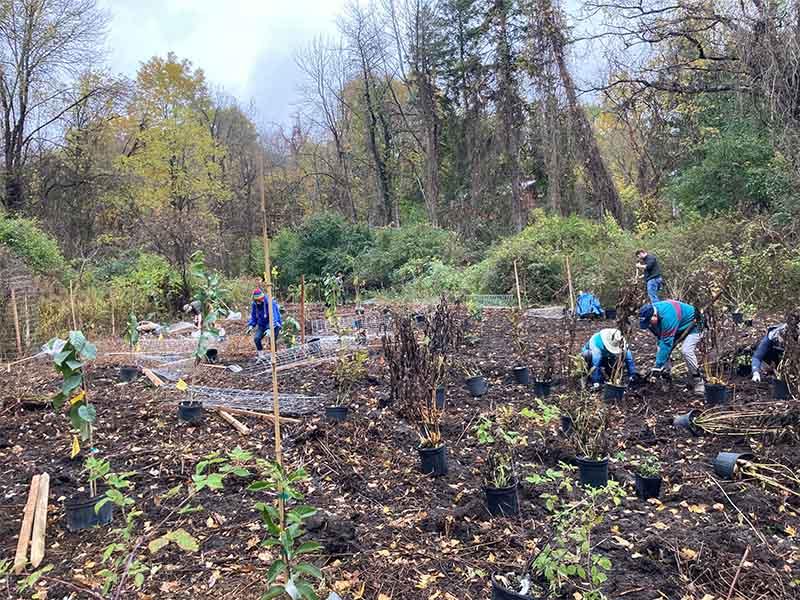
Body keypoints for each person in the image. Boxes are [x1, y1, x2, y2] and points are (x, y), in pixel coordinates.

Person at [639, 300, 704, 395]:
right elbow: (661, 340)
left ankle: (698, 381)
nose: (648, 325)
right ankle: (666, 378)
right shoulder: (650, 315)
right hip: (677, 327)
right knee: (661, 350)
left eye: (649, 322)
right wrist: (659, 363)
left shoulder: (668, 317)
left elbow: (666, 343)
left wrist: (657, 367)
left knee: (686, 351)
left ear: (654, 316)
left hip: (693, 325)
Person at [246, 288, 282, 358]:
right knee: (257, 338)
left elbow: (274, 317)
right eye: (257, 300)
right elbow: (254, 316)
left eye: (260, 300)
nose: (259, 301)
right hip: (262, 324)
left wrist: (269, 328)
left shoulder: (270, 303)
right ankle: (261, 356)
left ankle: (274, 356)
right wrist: (251, 325)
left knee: (272, 340)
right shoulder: (255, 304)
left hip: (274, 324)